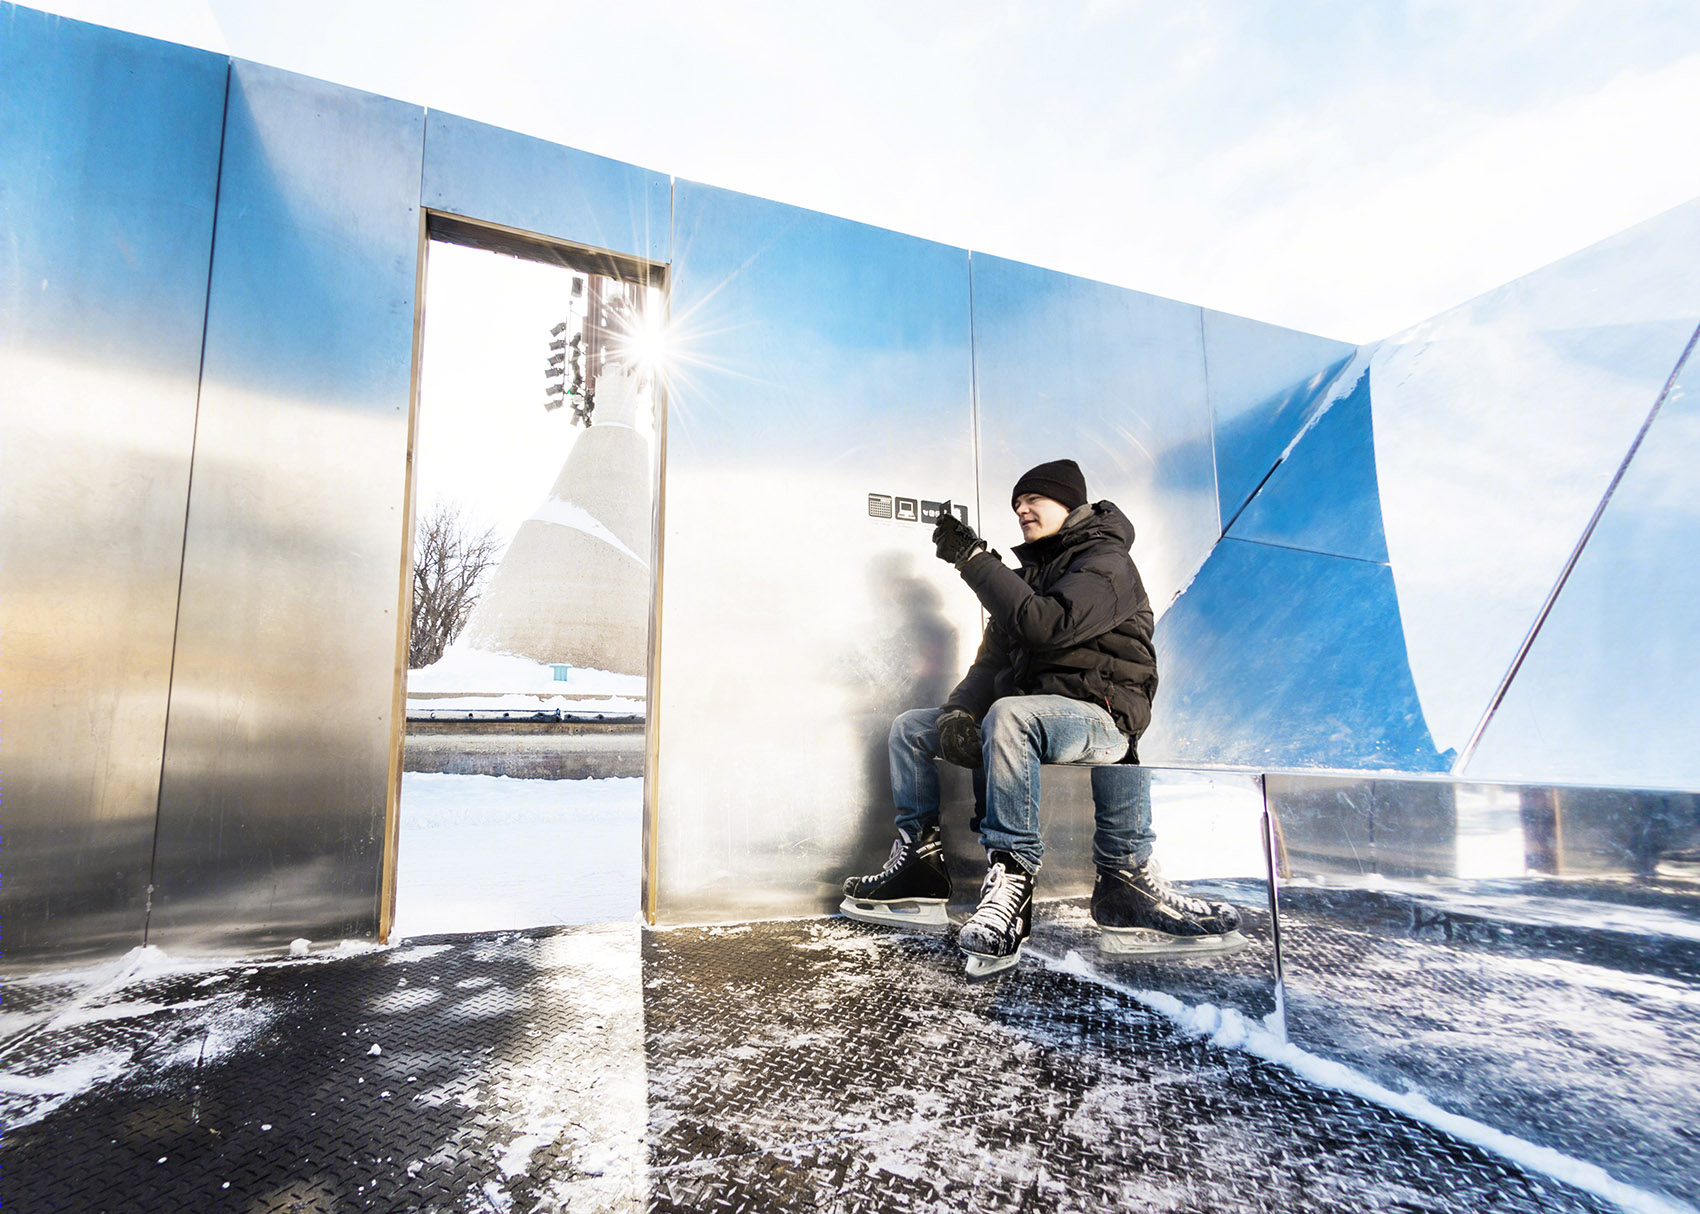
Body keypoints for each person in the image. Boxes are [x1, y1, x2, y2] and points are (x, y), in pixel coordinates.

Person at [840, 459, 1243, 978]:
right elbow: (989, 664)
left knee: (1011, 715)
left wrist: (975, 562)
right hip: (1036, 715)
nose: (1022, 509)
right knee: (913, 728)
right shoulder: (1030, 577)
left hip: (1102, 719)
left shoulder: (1106, 562)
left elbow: (1048, 627)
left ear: (1069, 502)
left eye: (1034, 499)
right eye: (1016, 504)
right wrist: (960, 711)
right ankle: (920, 865)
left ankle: (1016, 881)